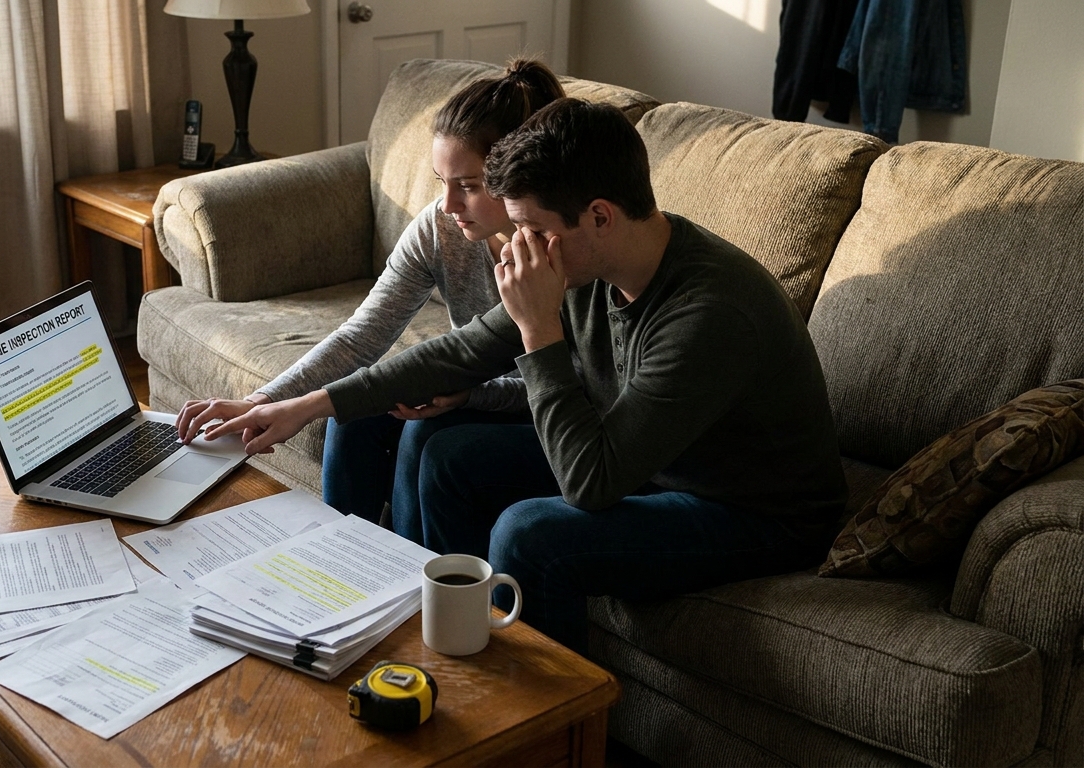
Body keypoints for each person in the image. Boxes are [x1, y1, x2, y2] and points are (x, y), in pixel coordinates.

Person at [201, 98, 849, 654]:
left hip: (750, 511)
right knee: (447, 453)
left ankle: (540, 727)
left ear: (599, 216)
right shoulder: (585, 266)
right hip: (649, 458)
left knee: (530, 535)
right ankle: (448, 647)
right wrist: (306, 405)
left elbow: (591, 483)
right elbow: (460, 352)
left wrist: (540, 330)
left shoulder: (711, 313)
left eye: (532, 230)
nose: (518, 250)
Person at [176, 60, 565, 536]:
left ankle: (409, 585)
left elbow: (575, 389)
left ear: (519, 176)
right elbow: (362, 338)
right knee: (353, 412)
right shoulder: (442, 227)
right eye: (442, 182)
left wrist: (471, 395)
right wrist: (263, 400)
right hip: (470, 387)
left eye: (468, 186)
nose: (447, 205)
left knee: (427, 433)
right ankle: (342, 565)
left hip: (542, 411)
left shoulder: (566, 255)